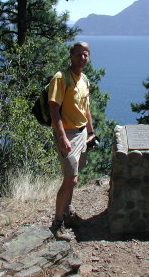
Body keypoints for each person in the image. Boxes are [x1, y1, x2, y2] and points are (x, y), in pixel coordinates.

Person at [48, 41, 96, 241]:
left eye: (85, 55)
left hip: (82, 134)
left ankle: (68, 213)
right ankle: (56, 224)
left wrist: (92, 133)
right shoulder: (61, 78)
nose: (82, 58)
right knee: (71, 178)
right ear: (71, 56)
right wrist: (61, 137)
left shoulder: (84, 79)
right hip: (67, 135)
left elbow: (86, 109)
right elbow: (53, 108)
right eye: (78, 54)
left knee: (74, 176)